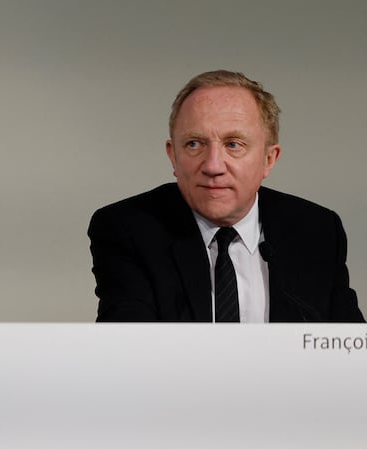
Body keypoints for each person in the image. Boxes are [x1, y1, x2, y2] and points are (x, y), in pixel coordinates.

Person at [88, 70, 364, 322]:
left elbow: (349, 349)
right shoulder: (128, 229)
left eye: (234, 145)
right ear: (173, 156)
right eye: (194, 144)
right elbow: (127, 350)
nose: (212, 166)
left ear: (269, 159)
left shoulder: (316, 230)